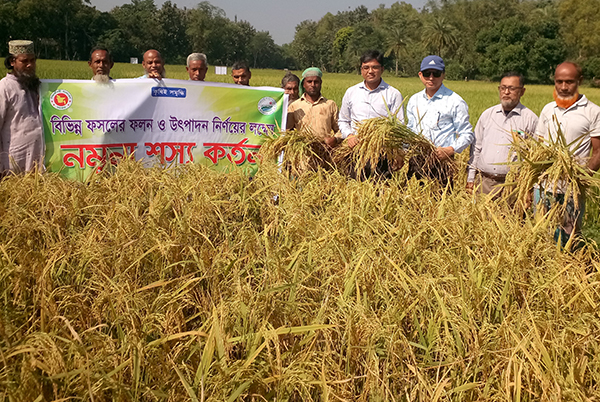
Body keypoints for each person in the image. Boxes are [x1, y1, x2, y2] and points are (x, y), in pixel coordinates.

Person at [534, 61, 600, 246]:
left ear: (580, 81)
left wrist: (581, 178)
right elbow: (539, 146)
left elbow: (598, 151)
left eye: (569, 82)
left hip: (571, 189)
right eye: (559, 81)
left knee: (568, 237)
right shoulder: (548, 109)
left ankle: (568, 269)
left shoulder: (592, 112)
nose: (563, 87)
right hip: (544, 186)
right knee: (541, 234)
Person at [467, 72, 538, 197]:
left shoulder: (530, 119)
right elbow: (476, 148)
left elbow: (535, 157)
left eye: (512, 88)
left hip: (513, 186)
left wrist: (528, 188)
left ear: (522, 91)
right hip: (484, 183)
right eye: (503, 88)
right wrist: (471, 178)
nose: (506, 92)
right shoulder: (488, 115)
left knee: (510, 217)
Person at [406, 55, 474, 184]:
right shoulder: (414, 100)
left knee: (441, 199)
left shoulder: (455, 101)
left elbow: (467, 134)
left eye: (436, 73)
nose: (431, 78)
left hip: (442, 161)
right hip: (417, 159)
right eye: (427, 73)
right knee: (414, 200)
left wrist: (450, 149)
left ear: (443, 75)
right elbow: (410, 129)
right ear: (420, 75)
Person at [339, 50, 404, 148]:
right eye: (366, 68)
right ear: (361, 70)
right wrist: (350, 136)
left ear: (382, 69)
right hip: (354, 148)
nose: (370, 71)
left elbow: (399, 125)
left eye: (375, 67)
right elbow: (343, 120)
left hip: (382, 149)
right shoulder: (351, 92)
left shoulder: (393, 94)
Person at [0, 40, 44, 175]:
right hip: (14, 162)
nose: (30, 65)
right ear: (12, 62)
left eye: (32, 60)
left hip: (39, 161)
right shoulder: (4, 87)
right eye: (24, 61)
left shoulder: (37, 86)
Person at [286, 68, 339, 147]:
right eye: (309, 82)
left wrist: (335, 139)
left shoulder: (330, 105)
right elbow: (287, 131)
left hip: (325, 152)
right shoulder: (294, 106)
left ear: (320, 83)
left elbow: (340, 129)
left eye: (316, 82)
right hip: (303, 153)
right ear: (303, 84)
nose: (313, 85)